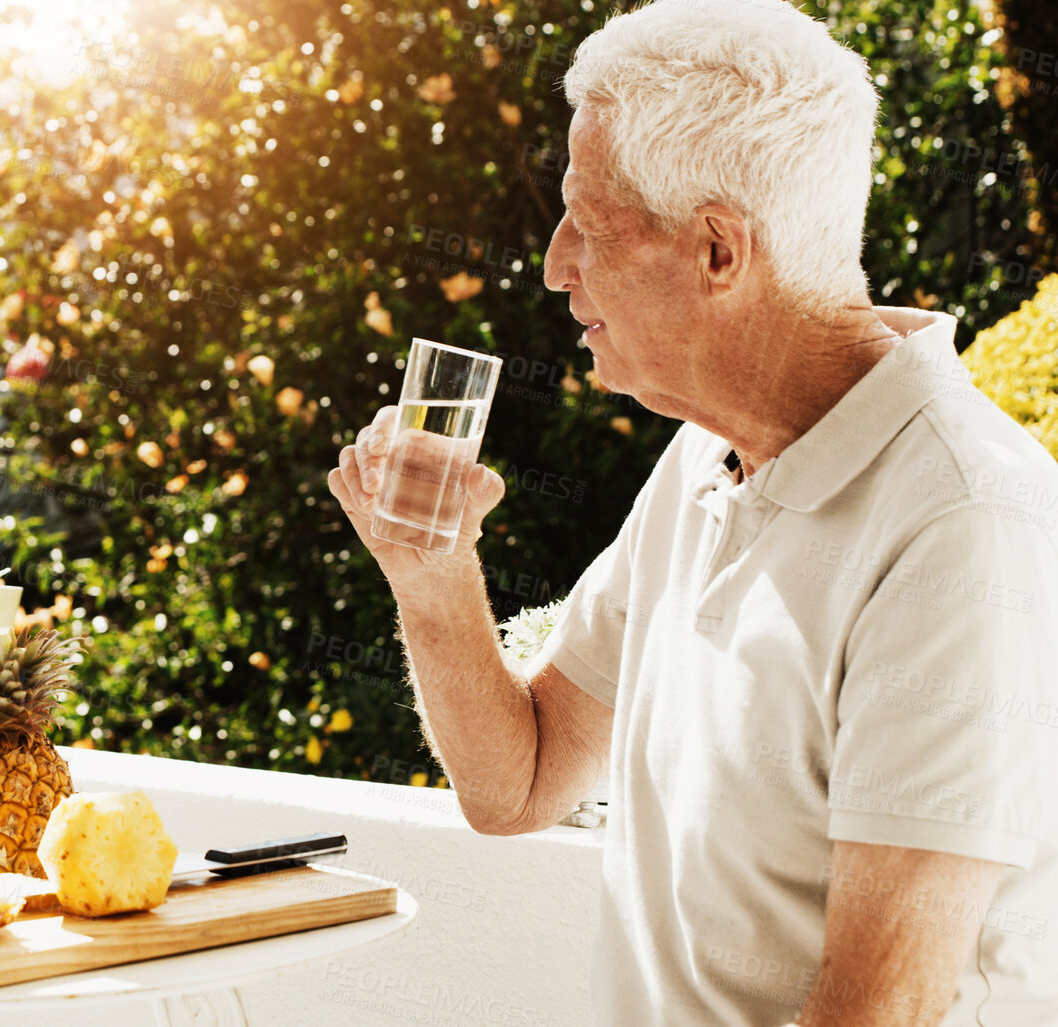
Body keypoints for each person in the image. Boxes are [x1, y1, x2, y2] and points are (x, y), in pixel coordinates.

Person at [328, 2, 1058, 1025]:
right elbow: (520, 783)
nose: (553, 261)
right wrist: (431, 572)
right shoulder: (704, 456)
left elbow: (880, 1008)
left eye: (589, 217)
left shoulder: (963, 520)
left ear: (719, 250)